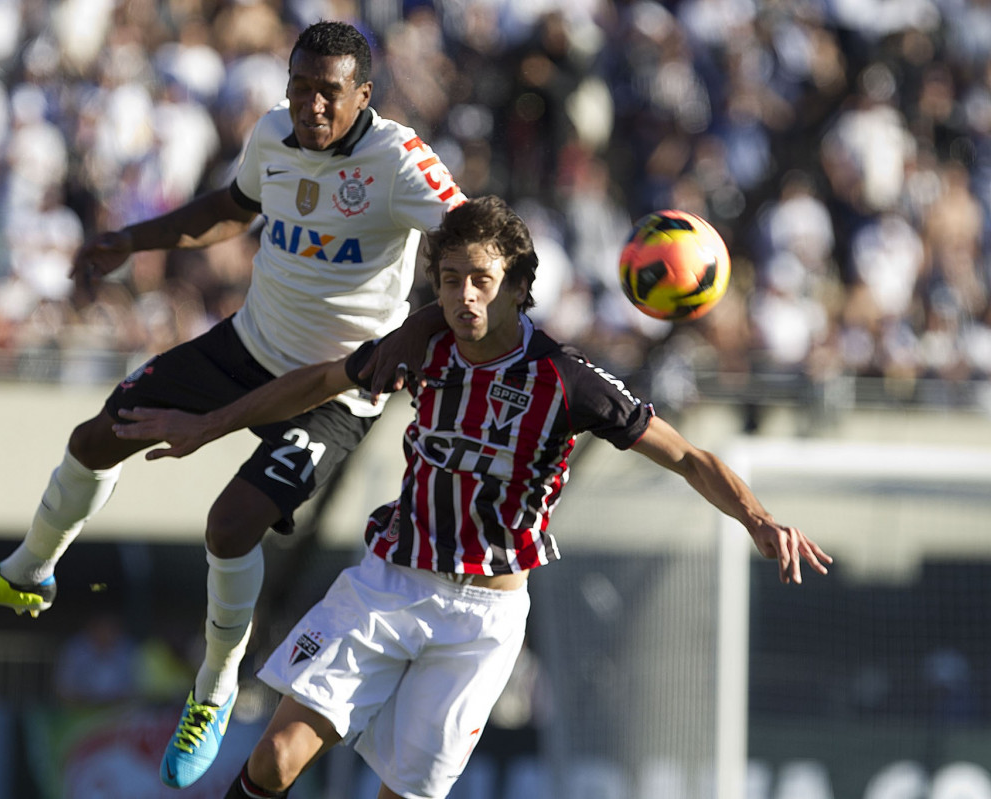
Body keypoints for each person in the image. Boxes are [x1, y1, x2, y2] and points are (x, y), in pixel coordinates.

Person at [112, 195, 833, 798]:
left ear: (520, 284)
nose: (464, 296)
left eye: (482, 280)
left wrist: (757, 518)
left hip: (483, 620)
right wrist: (208, 423)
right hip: (387, 583)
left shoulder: (568, 381)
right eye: (451, 278)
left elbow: (688, 455)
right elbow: (316, 382)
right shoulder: (419, 347)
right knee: (273, 758)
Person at [0, 21, 466, 789]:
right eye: (299, 86)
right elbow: (234, 208)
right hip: (247, 347)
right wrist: (135, 239)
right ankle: (27, 571)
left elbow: (478, 243)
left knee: (229, 522)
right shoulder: (273, 135)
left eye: (328, 93)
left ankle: (213, 688)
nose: (310, 105)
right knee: (98, 434)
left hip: (339, 388)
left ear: (363, 96)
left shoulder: (400, 162)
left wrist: (418, 335)